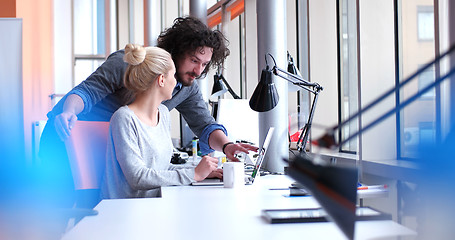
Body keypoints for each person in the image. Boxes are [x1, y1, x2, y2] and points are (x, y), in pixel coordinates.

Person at [39, 16, 257, 205]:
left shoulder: (183, 87)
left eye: (204, 65)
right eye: (193, 61)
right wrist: (69, 112)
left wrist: (227, 145)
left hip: (110, 150)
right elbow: (87, 92)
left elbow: (205, 124)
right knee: (62, 210)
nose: (198, 71)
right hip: (67, 134)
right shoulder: (130, 65)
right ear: (175, 53)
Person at [101, 44, 220, 198]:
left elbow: (161, 169)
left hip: (154, 204)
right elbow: (137, 177)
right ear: (162, 80)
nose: (176, 82)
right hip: (126, 209)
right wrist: (193, 174)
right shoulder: (124, 118)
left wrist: (199, 172)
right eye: (173, 75)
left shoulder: (163, 114)